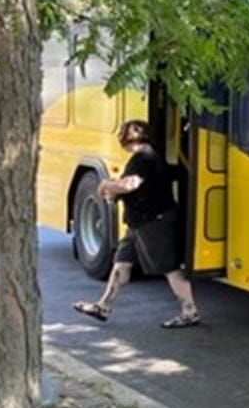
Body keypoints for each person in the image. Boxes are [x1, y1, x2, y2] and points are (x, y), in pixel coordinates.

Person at [73, 119, 201, 328]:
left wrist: (108, 184)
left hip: (152, 221)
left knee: (169, 267)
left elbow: (131, 184)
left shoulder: (143, 157)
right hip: (138, 223)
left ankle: (189, 311)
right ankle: (103, 306)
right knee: (121, 263)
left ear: (125, 139)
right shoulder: (149, 155)